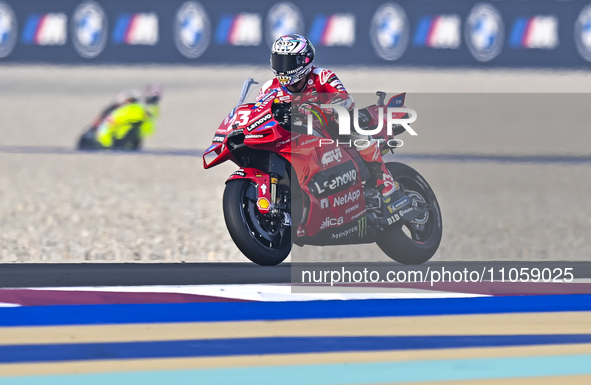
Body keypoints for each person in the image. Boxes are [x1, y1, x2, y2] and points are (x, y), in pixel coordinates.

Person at [258, 34, 403, 200]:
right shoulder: (269, 88)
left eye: (289, 62)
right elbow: (262, 111)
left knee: (347, 119)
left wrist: (324, 108)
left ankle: (383, 178)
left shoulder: (323, 76)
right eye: (279, 60)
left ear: (305, 60)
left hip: (329, 131)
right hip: (294, 137)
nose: (283, 67)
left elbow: (346, 100)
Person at [86, 85, 161, 150]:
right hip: (108, 139)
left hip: (113, 140)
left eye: (132, 100)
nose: (130, 103)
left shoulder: (134, 110)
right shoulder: (117, 109)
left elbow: (148, 123)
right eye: (128, 101)